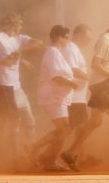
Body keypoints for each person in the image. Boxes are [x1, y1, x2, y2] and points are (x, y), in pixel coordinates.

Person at [61, 12, 109, 171]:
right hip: (103, 84)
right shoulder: (105, 40)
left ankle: (70, 152)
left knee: (95, 122)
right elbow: (95, 64)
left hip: (103, 83)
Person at [0, 12, 44, 166]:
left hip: (16, 87)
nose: (21, 25)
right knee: (13, 122)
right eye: (19, 23)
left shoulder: (19, 39)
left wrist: (21, 54)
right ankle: (13, 158)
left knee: (29, 120)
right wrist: (0, 62)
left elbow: (39, 43)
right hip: (3, 86)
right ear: (12, 24)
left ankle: (30, 153)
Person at [30, 25, 78, 171]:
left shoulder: (56, 53)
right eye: (67, 38)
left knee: (64, 129)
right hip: (52, 96)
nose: (68, 41)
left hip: (58, 97)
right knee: (63, 128)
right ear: (59, 37)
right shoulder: (53, 52)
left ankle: (45, 157)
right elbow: (56, 76)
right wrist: (72, 83)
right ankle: (42, 154)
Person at [59, 24, 99, 166]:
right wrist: (89, 78)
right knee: (70, 128)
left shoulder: (76, 49)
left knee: (80, 127)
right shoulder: (71, 48)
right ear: (78, 35)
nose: (88, 41)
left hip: (78, 96)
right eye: (87, 38)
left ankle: (80, 157)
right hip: (74, 96)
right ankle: (43, 152)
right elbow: (72, 69)